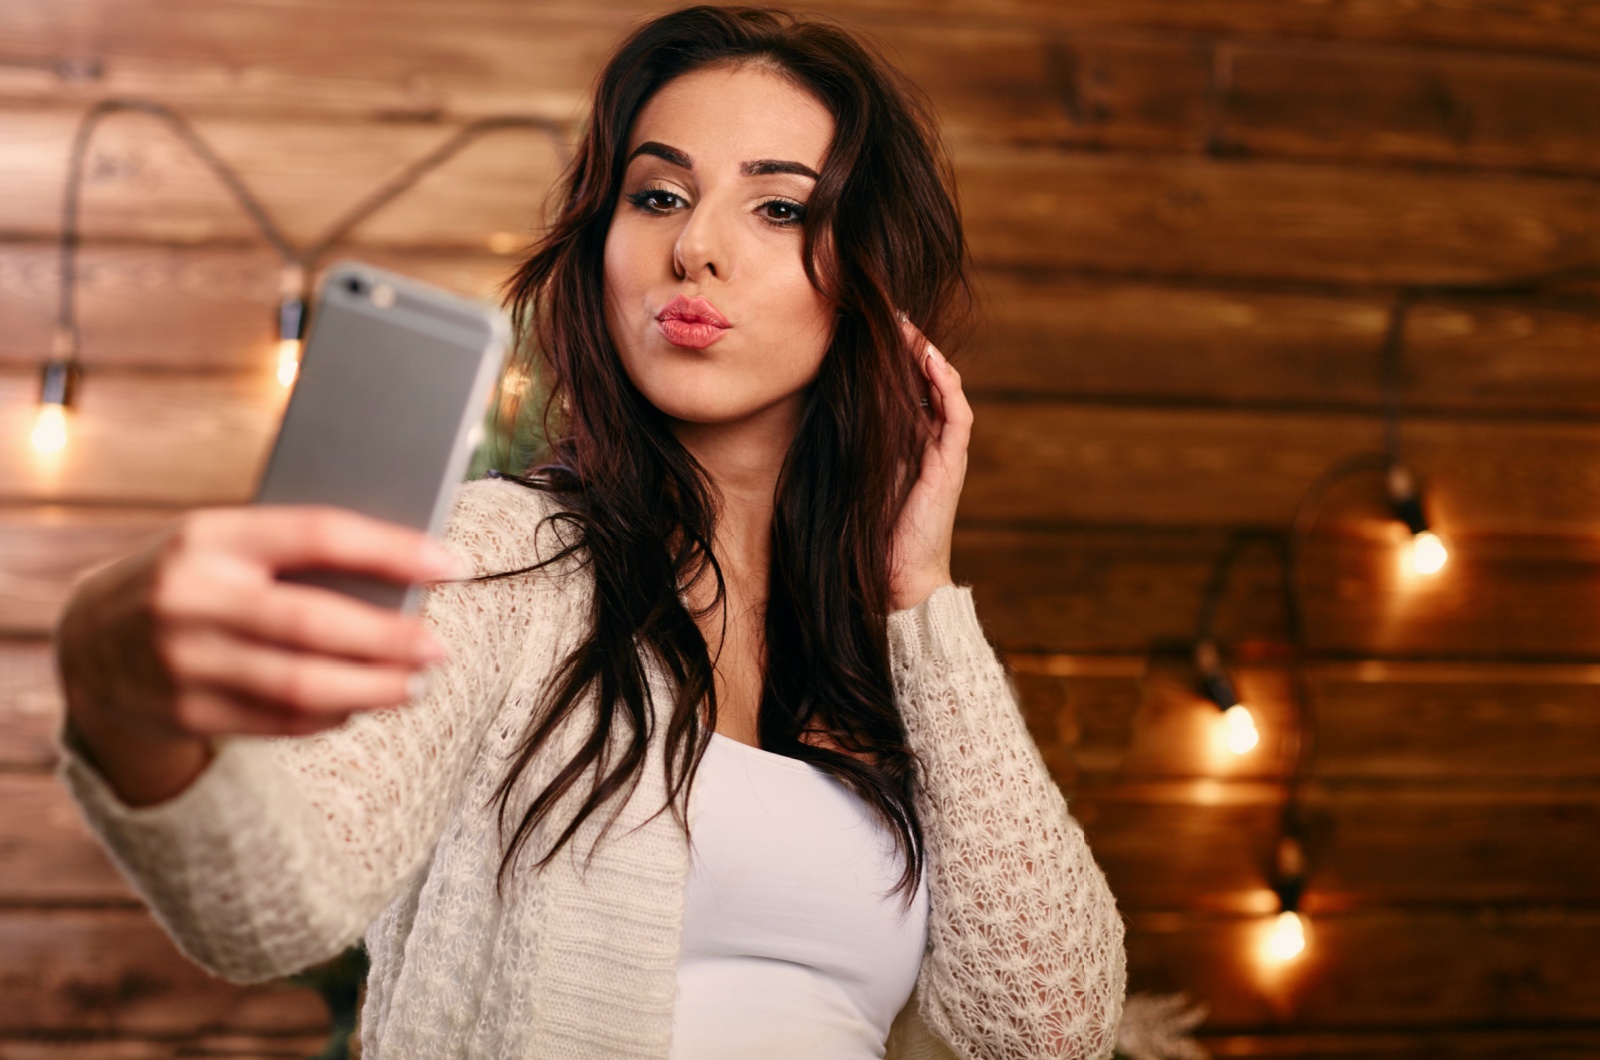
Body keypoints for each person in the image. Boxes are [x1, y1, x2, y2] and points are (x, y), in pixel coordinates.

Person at [53, 7, 1126, 1058]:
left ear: (867, 282)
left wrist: (921, 595)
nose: (694, 247)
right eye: (657, 195)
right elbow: (276, 905)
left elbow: (1046, 1026)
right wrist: (116, 687)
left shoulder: (887, 665)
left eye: (779, 209)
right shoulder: (503, 561)